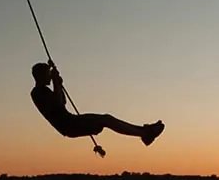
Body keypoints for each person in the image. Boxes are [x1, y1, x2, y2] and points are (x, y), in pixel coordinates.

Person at [30, 62, 165, 146]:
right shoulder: (37, 92)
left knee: (106, 119)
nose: (49, 76)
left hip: (71, 122)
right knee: (106, 120)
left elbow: (63, 102)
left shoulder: (44, 91)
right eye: (47, 74)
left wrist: (58, 84)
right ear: (40, 75)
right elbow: (59, 103)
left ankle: (144, 132)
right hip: (69, 125)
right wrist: (56, 82)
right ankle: (144, 133)